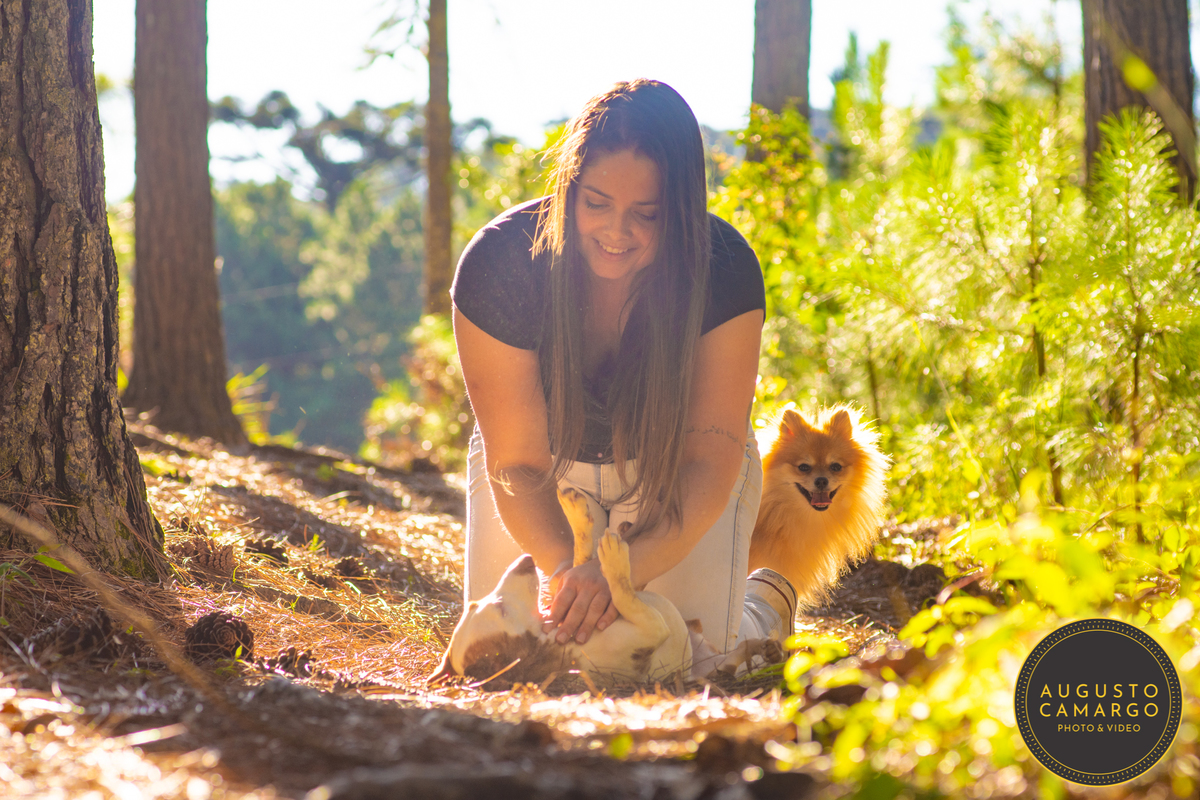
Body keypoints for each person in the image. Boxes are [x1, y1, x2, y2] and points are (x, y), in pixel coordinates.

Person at [451, 79, 795, 668]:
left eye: (647, 214)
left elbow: (710, 455)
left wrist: (624, 571)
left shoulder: (727, 272)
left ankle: (762, 607)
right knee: (518, 660)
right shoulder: (498, 265)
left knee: (690, 662)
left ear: (682, 211)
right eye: (596, 204)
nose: (616, 232)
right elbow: (517, 460)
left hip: (675, 476)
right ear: (569, 188)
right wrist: (568, 569)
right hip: (539, 477)